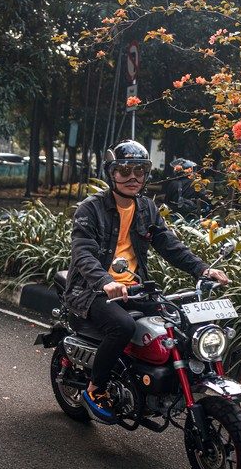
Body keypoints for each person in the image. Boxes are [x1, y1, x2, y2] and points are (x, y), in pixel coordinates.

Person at [62, 140, 230, 423]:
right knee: (123, 326)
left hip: (135, 289)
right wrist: (105, 281)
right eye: (124, 170)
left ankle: (160, 382)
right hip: (91, 290)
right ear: (111, 173)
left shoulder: (146, 208)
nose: (133, 177)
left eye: (139, 170)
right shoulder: (91, 209)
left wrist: (202, 269)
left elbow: (169, 245)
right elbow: (83, 252)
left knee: (175, 322)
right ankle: (95, 388)